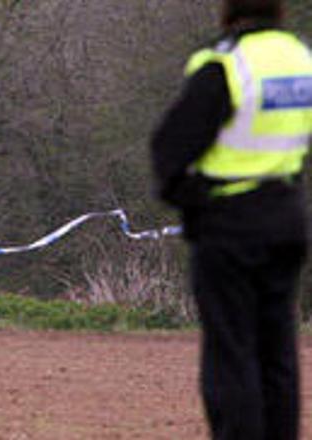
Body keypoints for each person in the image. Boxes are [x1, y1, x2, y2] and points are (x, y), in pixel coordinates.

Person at [151, 0, 312, 438]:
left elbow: (169, 150)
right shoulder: (301, 58)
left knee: (232, 351)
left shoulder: (226, 65)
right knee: (278, 353)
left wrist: (191, 202)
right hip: (288, 215)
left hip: (230, 223)